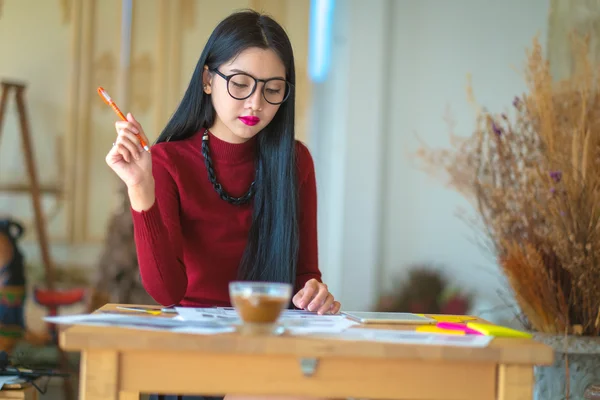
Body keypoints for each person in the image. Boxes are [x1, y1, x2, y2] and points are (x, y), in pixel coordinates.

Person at [105, 9, 341, 400]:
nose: (256, 103)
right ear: (208, 80)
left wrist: (314, 294)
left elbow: (304, 277)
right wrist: (140, 187)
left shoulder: (296, 163)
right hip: (194, 356)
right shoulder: (168, 161)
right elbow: (166, 292)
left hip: (269, 350)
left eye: (272, 89)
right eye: (241, 84)